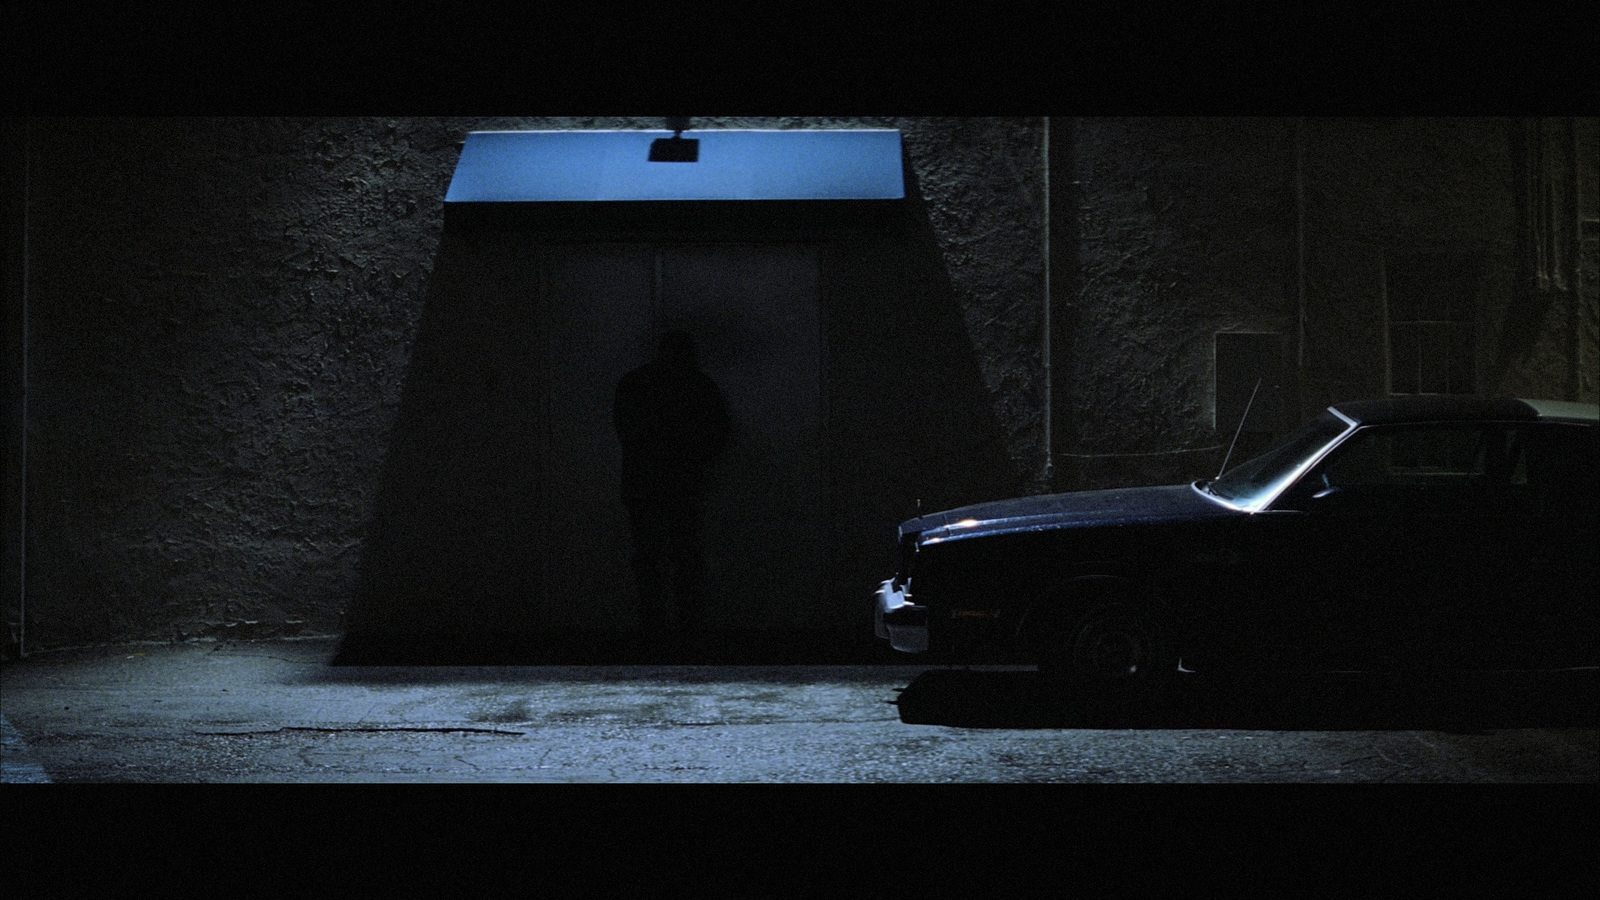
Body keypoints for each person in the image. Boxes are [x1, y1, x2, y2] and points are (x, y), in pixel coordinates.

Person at [613, 330, 732, 630]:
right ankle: (688, 625)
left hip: (644, 484)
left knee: (648, 558)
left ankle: (652, 624)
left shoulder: (634, 384)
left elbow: (627, 433)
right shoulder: (700, 386)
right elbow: (717, 433)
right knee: (686, 556)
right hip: (684, 484)